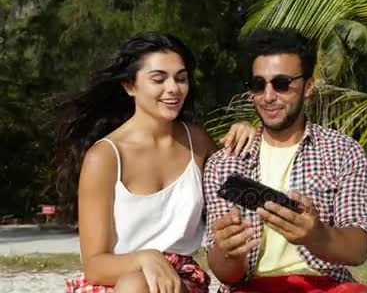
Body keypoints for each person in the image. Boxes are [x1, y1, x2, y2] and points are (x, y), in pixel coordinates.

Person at [55, 32, 256, 293]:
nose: (173, 88)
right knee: (135, 283)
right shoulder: (104, 157)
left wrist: (247, 131)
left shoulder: (197, 141)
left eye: (181, 78)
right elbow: (94, 266)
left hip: (180, 281)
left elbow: (239, 187)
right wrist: (144, 257)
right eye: (158, 79)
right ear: (130, 86)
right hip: (116, 281)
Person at [203, 28, 367, 293]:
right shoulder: (223, 163)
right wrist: (229, 251)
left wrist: (317, 235)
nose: (268, 96)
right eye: (258, 85)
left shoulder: (343, 151)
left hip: (327, 285)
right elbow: (227, 274)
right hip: (250, 286)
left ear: (308, 87)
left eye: (282, 83)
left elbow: (357, 250)